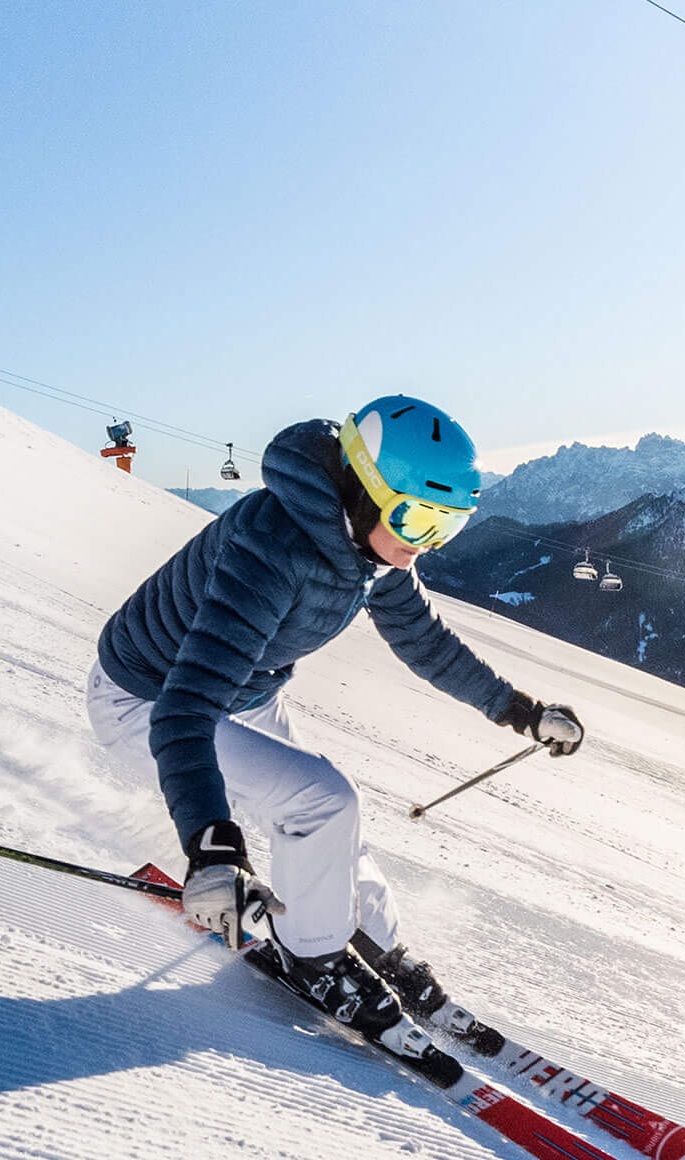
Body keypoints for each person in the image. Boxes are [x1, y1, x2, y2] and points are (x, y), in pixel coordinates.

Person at [88, 396, 583, 1051]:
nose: (422, 544)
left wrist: (520, 711)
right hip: (148, 698)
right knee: (322, 802)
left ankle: (371, 941)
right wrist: (212, 851)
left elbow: (426, 642)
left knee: (334, 834)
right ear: (362, 490)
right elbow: (185, 708)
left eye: (446, 527)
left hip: (242, 694)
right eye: (415, 517)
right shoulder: (273, 548)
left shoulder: (372, 547)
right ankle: (314, 957)